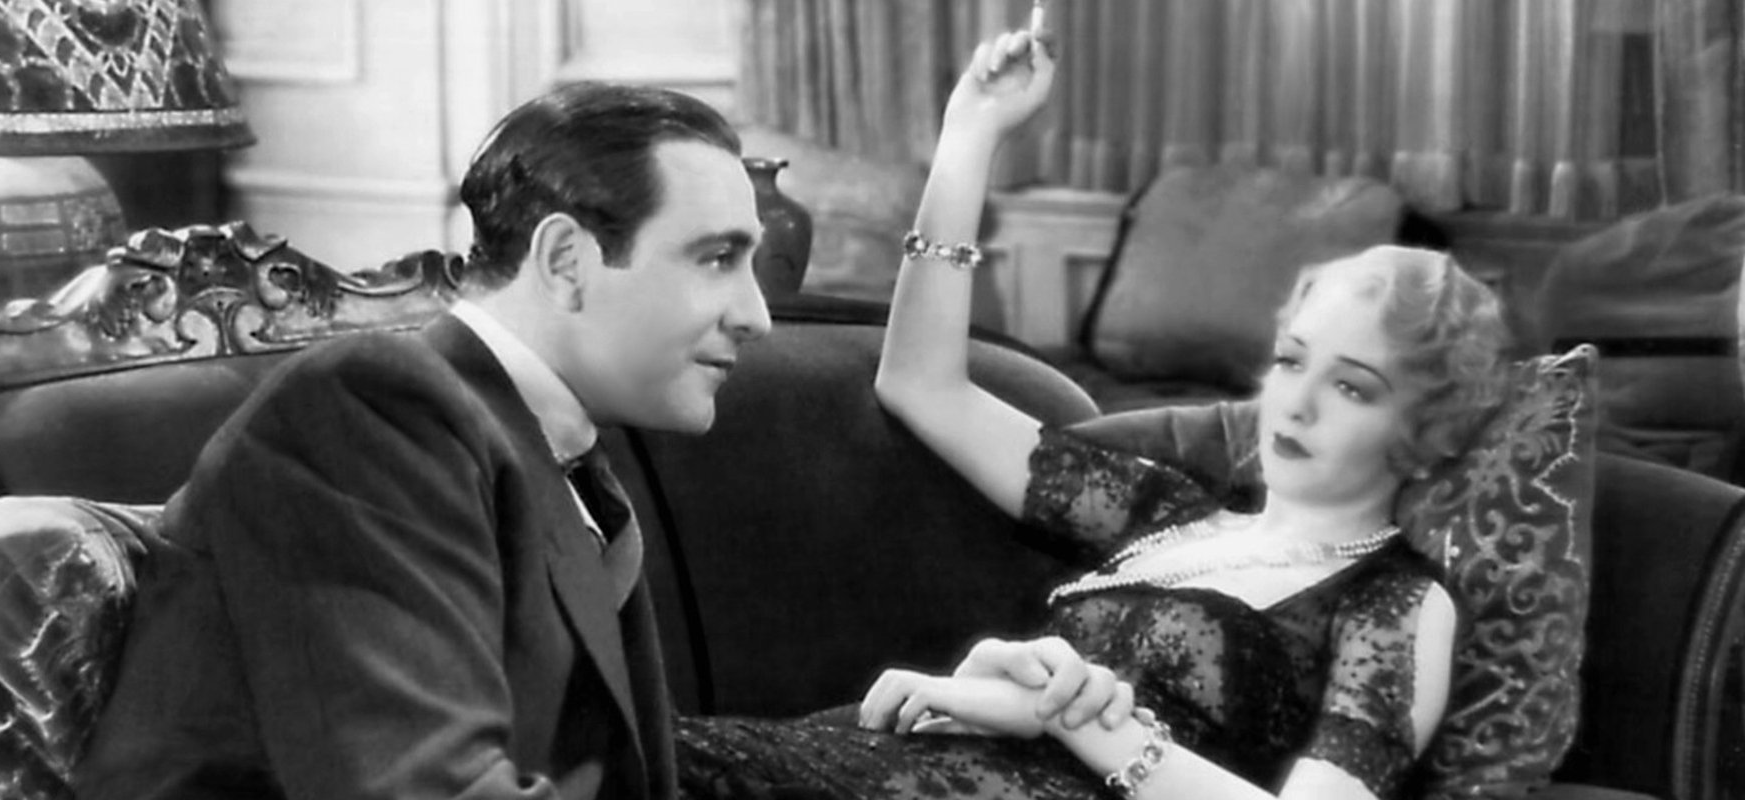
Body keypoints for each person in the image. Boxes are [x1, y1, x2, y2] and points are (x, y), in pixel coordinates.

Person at [675, 26, 1510, 800]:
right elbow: (922, 385)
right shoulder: (1162, 513)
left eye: (1353, 387)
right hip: (886, 754)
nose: (1299, 401)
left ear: (1426, 431)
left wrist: (1080, 723)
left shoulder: (1394, 602)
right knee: (644, 752)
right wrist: (970, 136)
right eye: (1293, 360)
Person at [73, 81, 774, 799]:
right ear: (566, 260)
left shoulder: (568, 461)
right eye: (718, 258)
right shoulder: (371, 409)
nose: (757, 316)